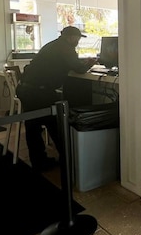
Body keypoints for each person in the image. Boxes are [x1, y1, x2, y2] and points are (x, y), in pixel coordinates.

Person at [17, 26, 98, 171]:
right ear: (71, 37)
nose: (78, 41)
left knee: (33, 128)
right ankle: (68, 159)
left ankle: (39, 161)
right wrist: (90, 63)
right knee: (56, 124)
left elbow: (68, 63)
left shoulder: (53, 45)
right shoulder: (65, 48)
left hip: (27, 89)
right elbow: (78, 68)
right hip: (39, 92)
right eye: (78, 38)